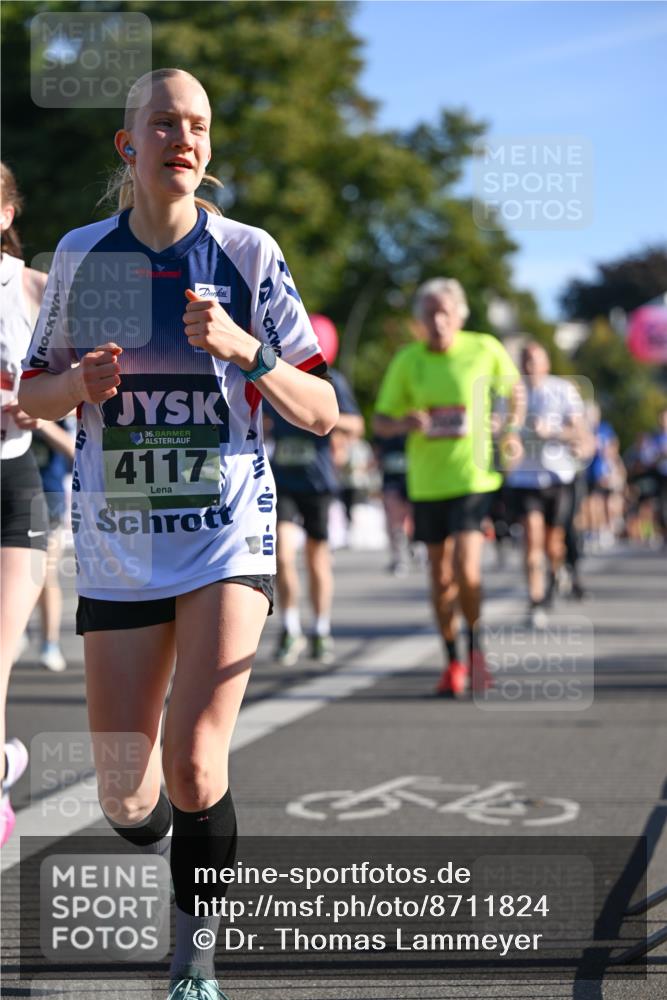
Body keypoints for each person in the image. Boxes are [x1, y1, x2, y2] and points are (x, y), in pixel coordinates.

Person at [19, 68, 337, 1000]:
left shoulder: (245, 253)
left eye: (197, 125)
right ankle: (180, 847)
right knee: (127, 793)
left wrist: (247, 349)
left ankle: (195, 950)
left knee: (197, 762)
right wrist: (76, 386)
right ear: (129, 145)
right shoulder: (84, 256)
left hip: (223, 537)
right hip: (119, 547)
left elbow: (320, 410)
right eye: (164, 123)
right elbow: (32, 393)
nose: (184, 139)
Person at [374, 278, 523, 697]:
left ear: (460, 315)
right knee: (440, 578)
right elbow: (380, 421)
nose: (438, 321)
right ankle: (452, 660)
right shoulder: (408, 360)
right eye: (430, 314)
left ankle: (477, 655)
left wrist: (510, 429)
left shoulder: (484, 348)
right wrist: (404, 423)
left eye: (445, 312)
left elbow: (515, 390)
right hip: (427, 483)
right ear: (420, 320)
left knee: (466, 569)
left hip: (473, 478)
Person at [268, 315, 364, 666]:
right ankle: (290, 628)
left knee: (317, 558)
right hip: (283, 481)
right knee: (282, 554)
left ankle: (321, 630)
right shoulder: (277, 374)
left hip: (319, 483)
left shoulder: (332, 380)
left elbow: (356, 424)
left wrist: (325, 419)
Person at [0, 162, 49, 846]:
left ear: (6, 215)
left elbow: (84, 385)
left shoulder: (35, 289)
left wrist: (44, 403)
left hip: (15, 487)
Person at [505, 342, 591, 628]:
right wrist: (507, 439)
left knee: (554, 544)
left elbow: (579, 431)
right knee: (532, 538)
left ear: (547, 364)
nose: (530, 366)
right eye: (525, 360)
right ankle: (535, 599)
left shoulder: (562, 390)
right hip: (524, 478)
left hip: (557, 476)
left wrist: (551, 431)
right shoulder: (513, 392)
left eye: (535, 360)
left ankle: (556, 573)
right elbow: (502, 429)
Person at [31, 415, 76, 671]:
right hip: (8, 496)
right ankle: (19, 630)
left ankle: (50, 642)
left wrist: (40, 421)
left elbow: (74, 448)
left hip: (47, 497)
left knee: (44, 573)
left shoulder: (53, 404)